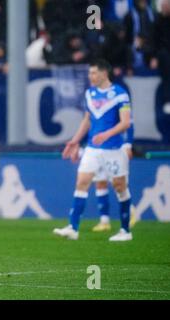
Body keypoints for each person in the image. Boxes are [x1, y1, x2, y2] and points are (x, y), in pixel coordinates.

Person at [53, 59, 133, 241]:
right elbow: (87, 120)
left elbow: (126, 122)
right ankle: (73, 228)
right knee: (82, 181)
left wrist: (107, 134)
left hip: (113, 148)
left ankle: (125, 231)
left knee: (120, 187)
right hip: (92, 148)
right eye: (90, 73)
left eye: (94, 73)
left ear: (105, 73)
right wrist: (74, 141)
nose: (91, 76)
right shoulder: (90, 94)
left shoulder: (120, 94)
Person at [91, 123, 136, 231]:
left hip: (115, 149)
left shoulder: (119, 106)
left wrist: (128, 144)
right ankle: (104, 221)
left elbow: (128, 123)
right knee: (100, 182)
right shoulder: (92, 107)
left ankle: (130, 212)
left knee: (118, 184)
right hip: (98, 149)